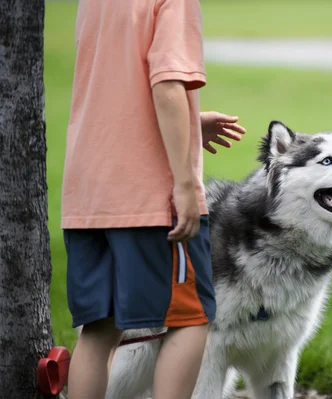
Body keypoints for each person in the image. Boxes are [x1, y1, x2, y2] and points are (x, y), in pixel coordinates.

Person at [60, 1, 246, 398]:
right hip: (148, 198)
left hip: (87, 193)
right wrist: (183, 184)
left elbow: (116, 91)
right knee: (191, 317)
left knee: (98, 329)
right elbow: (166, 85)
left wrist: (190, 127)